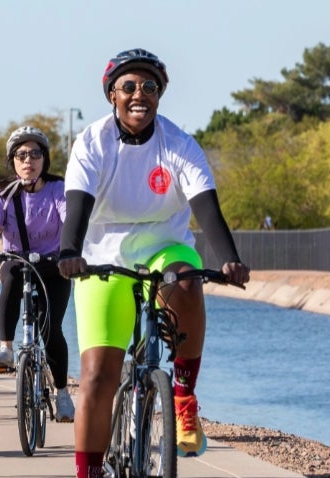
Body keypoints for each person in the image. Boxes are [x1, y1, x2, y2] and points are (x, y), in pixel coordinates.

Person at [56, 48, 251, 476]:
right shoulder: (92, 143)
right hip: (102, 258)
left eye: (149, 86)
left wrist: (231, 260)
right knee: (96, 379)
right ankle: (88, 471)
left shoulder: (179, 144)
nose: (138, 94)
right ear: (112, 95)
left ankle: (182, 395)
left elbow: (206, 207)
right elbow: (77, 208)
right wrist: (69, 251)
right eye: (128, 86)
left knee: (187, 280)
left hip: (166, 247)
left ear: (160, 95)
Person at [0, 125, 75, 423]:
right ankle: (5, 348)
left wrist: (71, 250)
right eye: (21, 155)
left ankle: (62, 393)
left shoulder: (58, 189)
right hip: (17, 261)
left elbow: (69, 219)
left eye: (34, 154)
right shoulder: (3, 194)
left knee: (50, 328)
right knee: (12, 273)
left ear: (44, 158)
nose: (28, 160)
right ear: (13, 161)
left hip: (54, 266)